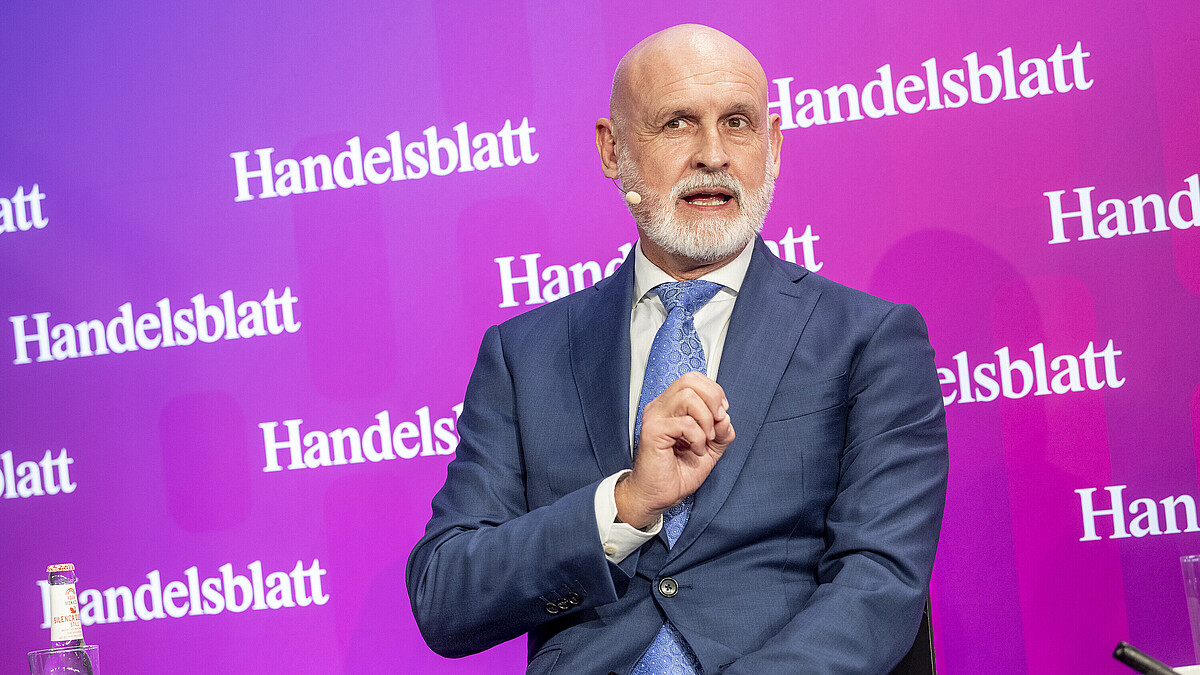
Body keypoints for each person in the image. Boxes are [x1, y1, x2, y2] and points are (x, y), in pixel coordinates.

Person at [406, 24, 949, 674]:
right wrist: (625, 504)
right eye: (677, 124)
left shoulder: (868, 341)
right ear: (612, 149)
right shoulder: (524, 356)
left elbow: (878, 585)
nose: (713, 155)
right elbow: (445, 595)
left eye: (738, 123)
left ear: (773, 145)